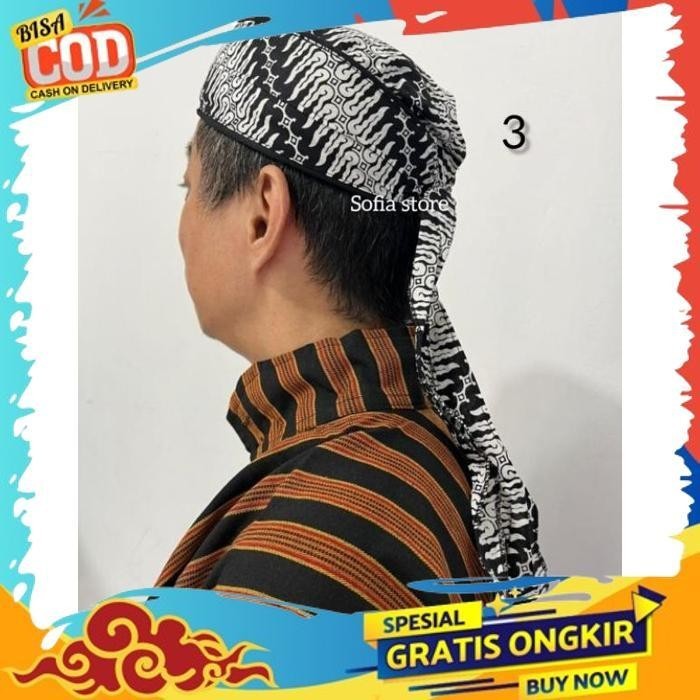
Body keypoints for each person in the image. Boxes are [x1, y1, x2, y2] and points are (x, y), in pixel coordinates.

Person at [154, 27, 546, 612]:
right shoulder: (398, 459)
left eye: (188, 185)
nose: (182, 225)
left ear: (263, 215)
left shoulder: (327, 533)